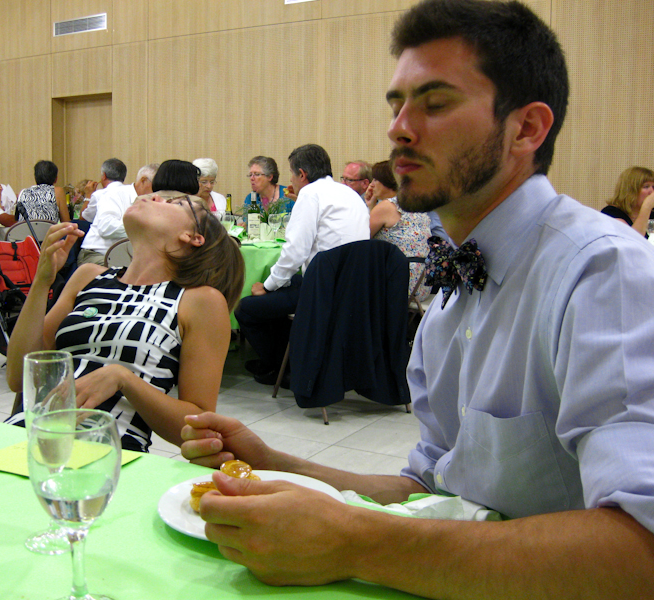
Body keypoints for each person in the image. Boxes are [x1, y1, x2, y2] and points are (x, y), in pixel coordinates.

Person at [180, 1, 654, 597]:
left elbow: (642, 549)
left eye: (434, 103)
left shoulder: (601, 270)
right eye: (396, 104)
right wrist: (276, 462)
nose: (398, 127)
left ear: (527, 129)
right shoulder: (449, 301)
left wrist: (354, 541)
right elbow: (430, 491)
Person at [6, 190, 244, 452]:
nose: (154, 197)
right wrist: (42, 282)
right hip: (24, 437)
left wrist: (123, 379)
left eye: (176, 204)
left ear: (192, 237)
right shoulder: (88, 276)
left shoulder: (199, 301)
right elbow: (18, 378)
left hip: (110, 452)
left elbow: (198, 430)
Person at [235, 144, 369, 386]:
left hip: (323, 290)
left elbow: (294, 252)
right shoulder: (349, 194)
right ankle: (286, 360)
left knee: (247, 307)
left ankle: (279, 367)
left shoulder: (310, 194)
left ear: (302, 174)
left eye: (291, 174)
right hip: (354, 288)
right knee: (288, 286)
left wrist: (267, 285)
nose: (291, 181)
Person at [367, 160, 432, 300]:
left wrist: (370, 206)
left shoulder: (387, 206)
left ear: (387, 182)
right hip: (422, 284)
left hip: (401, 283)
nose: (371, 184)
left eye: (376, 179)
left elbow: (361, 239)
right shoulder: (415, 204)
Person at [77, 158, 137, 266]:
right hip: (123, 254)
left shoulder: (100, 194)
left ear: (103, 176)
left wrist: (88, 195)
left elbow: (84, 218)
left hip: (98, 252)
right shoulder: (131, 193)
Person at [601, 166, 654, 237]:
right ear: (630, 190)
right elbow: (632, 242)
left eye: (653, 187)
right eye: (646, 187)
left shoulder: (652, 213)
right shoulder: (611, 213)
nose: (652, 192)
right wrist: (647, 206)